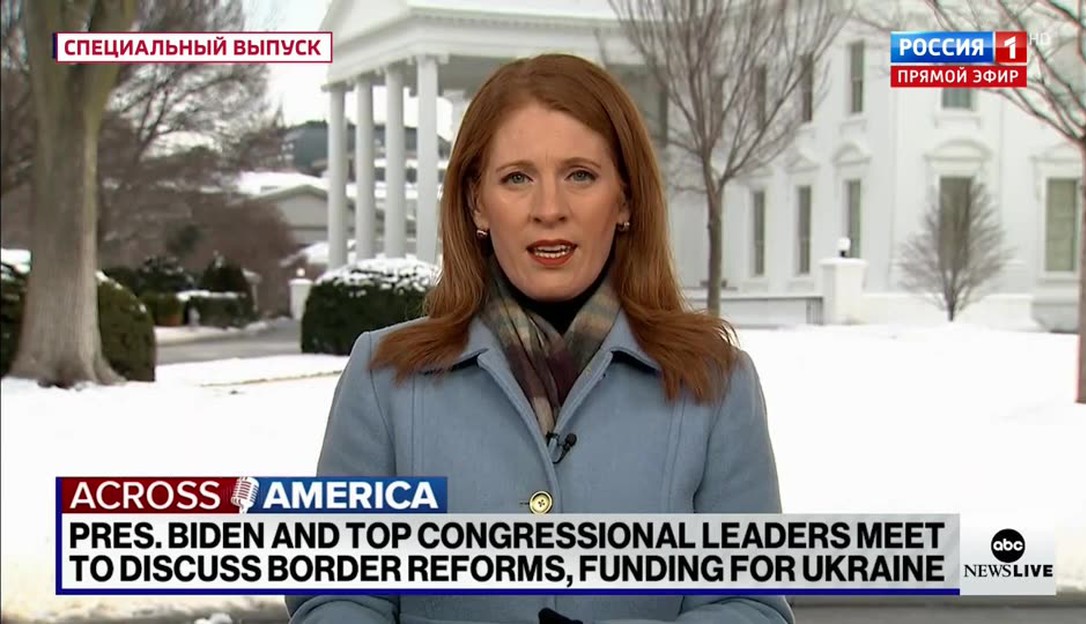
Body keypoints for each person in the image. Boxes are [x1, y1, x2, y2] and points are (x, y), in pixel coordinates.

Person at [287, 53, 792, 624]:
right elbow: (336, 596)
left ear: (625, 199)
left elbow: (748, 604)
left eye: (580, 175)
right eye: (517, 178)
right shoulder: (383, 378)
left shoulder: (716, 382)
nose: (549, 209)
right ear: (477, 203)